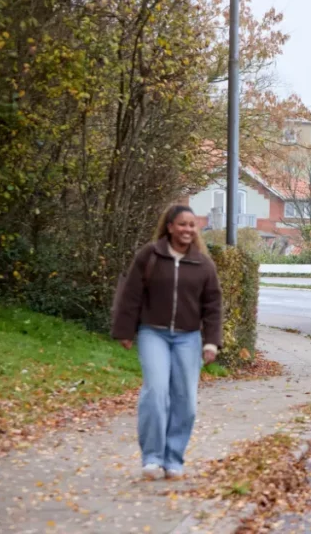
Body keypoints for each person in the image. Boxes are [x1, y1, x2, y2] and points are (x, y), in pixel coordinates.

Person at [111, 205, 223, 481]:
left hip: (188, 337)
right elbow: (131, 294)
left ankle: (173, 459)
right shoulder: (150, 256)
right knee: (156, 392)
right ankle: (152, 458)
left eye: (192, 225)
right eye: (182, 224)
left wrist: (211, 342)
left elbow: (213, 306)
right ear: (170, 227)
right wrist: (125, 330)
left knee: (186, 400)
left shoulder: (203, 264)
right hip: (154, 333)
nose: (187, 229)